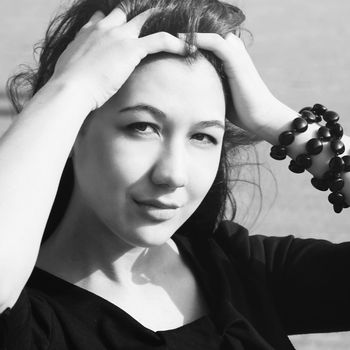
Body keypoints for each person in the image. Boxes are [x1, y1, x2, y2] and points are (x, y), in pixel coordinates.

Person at [1, 0, 350, 349]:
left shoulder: (241, 268)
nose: (173, 174)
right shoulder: (28, 317)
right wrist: (69, 89)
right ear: (72, 127)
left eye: (203, 136)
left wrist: (279, 122)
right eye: (142, 127)